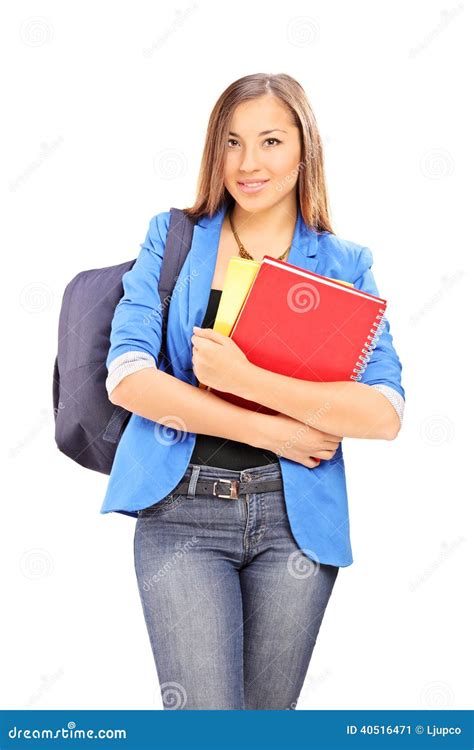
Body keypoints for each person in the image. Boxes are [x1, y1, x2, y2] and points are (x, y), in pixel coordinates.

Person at [102, 73, 405, 710]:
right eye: (232, 143)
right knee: (208, 723)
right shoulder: (175, 238)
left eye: (270, 141)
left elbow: (382, 413)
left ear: (304, 151)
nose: (248, 163)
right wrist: (278, 430)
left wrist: (246, 381)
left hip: (294, 526)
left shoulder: (344, 263)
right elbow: (129, 378)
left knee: (267, 728)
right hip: (180, 509)